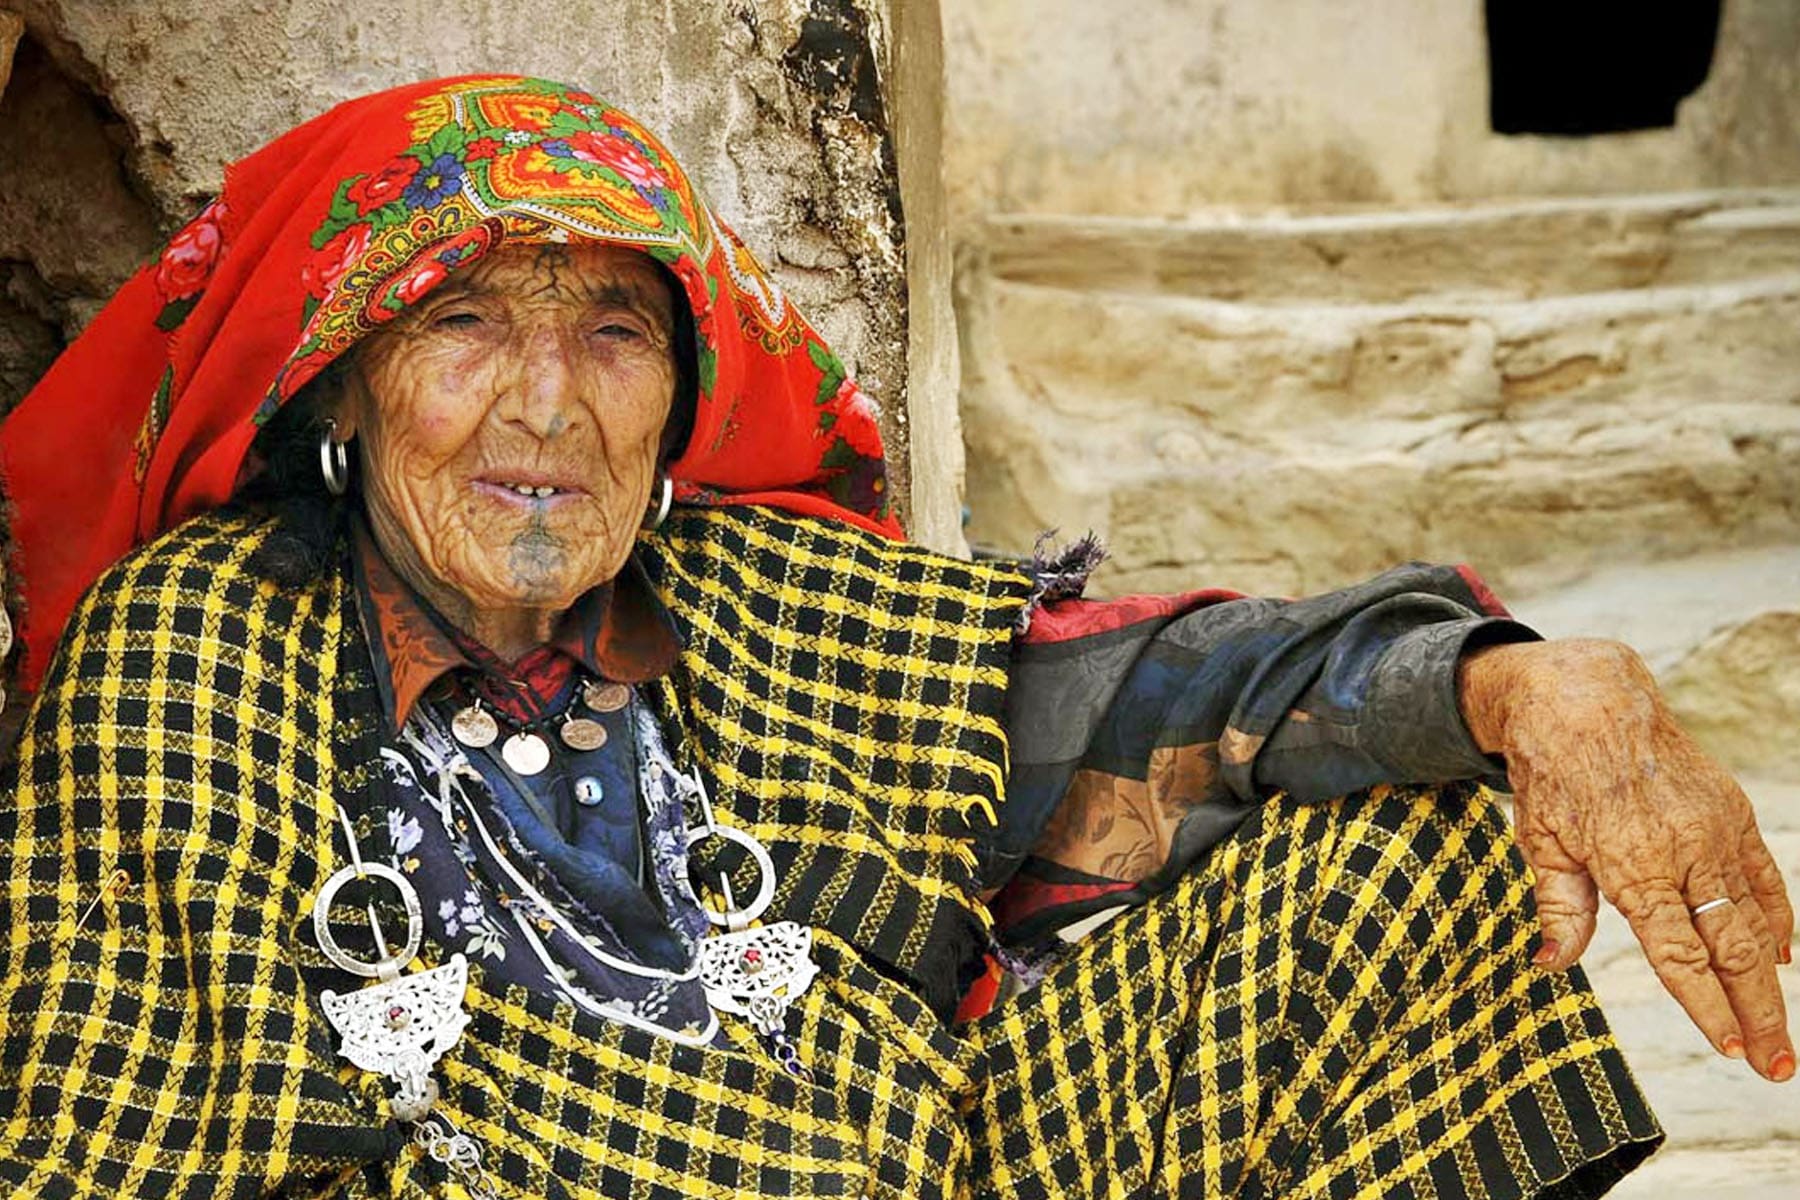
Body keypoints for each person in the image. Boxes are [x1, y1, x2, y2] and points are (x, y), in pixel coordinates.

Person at [0, 74, 1788, 1199]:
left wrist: (1522, 682)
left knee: (1417, 849)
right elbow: (103, 1120)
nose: (543, 406)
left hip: (926, 1163)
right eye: (461, 323)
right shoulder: (196, 650)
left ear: (681, 399)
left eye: (615, 334)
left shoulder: (752, 596)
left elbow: (1156, 689)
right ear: (345, 391)